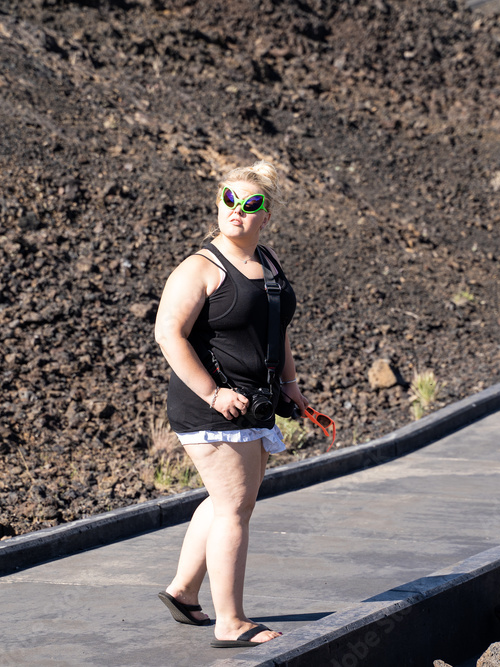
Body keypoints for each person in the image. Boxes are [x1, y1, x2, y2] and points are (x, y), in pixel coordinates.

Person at [153, 161, 307, 648]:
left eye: (251, 203)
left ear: (266, 215)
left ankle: (184, 593)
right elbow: (168, 334)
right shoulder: (199, 267)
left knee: (226, 502)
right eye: (229, 200)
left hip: (254, 402)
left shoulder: (269, 260)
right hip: (210, 407)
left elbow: (276, 328)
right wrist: (213, 392)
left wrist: (291, 383)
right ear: (218, 204)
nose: (237, 211)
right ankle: (232, 622)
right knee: (234, 510)